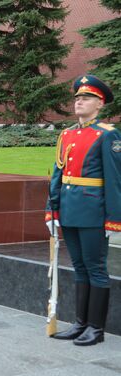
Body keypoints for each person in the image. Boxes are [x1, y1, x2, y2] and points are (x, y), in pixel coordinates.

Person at [46, 74, 121, 346]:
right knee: (79, 267)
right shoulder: (67, 135)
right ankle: (79, 323)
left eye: (86, 98)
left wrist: (114, 221)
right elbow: (57, 174)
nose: (79, 102)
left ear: (99, 104)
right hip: (68, 209)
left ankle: (95, 328)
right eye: (77, 97)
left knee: (95, 268)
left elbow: (114, 181)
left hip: (93, 211)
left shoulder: (108, 135)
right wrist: (51, 212)